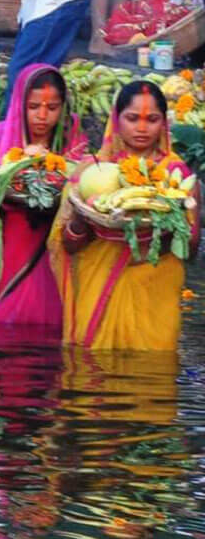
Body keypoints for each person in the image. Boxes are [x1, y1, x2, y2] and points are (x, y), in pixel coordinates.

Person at [57, 81, 198, 351]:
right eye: (132, 118)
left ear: (163, 123)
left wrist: (163, 231)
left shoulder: (177, 176)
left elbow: (190, 249)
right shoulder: (92, 172)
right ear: (117, 119)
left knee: (152, 374)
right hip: (98, 287)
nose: (142, 128)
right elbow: (68, 244)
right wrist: (82, 217)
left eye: (152, 119)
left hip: (154, 292)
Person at [0, 64, 86, 333]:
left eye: (52, 107)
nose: (43, 116)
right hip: (0, 258)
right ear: (20, 102)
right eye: (34, 106)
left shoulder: (72, 144)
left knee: (47, 342)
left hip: (48, 260)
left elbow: (81, 203)